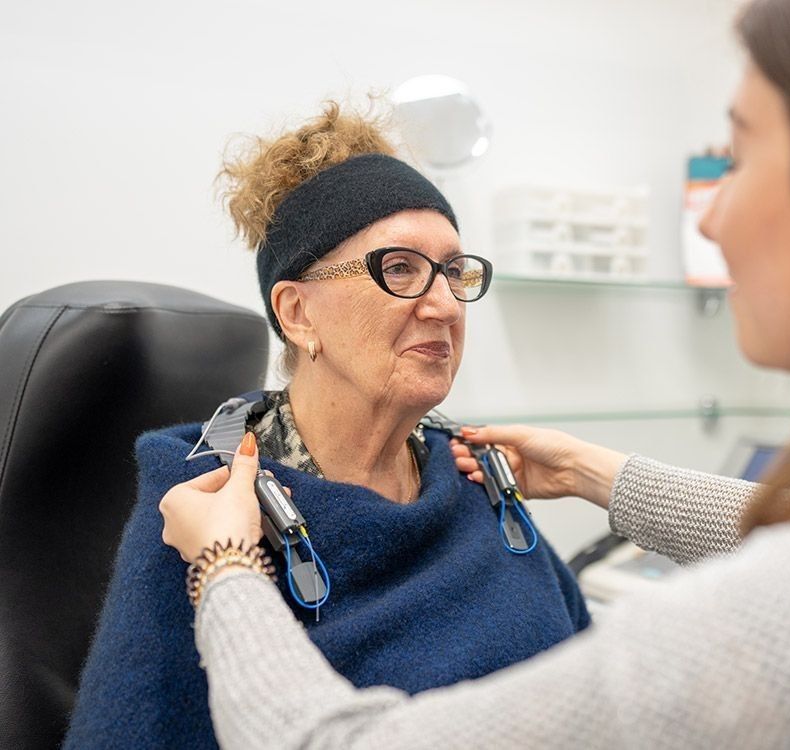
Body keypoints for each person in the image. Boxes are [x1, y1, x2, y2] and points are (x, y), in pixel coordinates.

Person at [160, 0, 790, 746]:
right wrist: (592, 472)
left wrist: (225, 565)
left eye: (739, 159)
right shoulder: (199, 483)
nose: (709, 215)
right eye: (400, 270)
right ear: (297, 313)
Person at [64, 104, 589, 749]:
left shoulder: (477, 479)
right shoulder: (208, 506)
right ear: (298, 314)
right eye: (399, 268)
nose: (446, 305)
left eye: (455, 272)